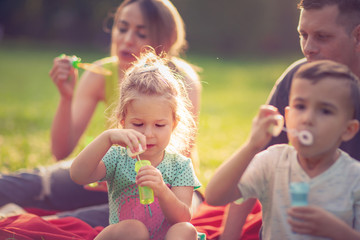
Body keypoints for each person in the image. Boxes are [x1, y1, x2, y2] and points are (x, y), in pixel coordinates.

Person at [0, 0, 201, 228]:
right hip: (112, 170)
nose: (126, 39)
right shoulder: (101, 73)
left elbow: (170, 156)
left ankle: (24, 222)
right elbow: (61, 151)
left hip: (167, 187)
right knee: (36, 183)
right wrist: (66, 98)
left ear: (166, 40)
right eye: (122, 28)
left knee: (135, 217)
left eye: (141, 33)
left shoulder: (181, 82)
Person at [221, 0, 360, 238]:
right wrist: (228, 236)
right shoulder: (299, 78)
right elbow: (252, 165)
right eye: (303, 35)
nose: (308, 48)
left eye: (322, 37)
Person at [206, 60, 360, 239]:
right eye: (300, 106)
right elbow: (214, 196)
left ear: (348, 130)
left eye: (325, 111)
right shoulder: (272, 162)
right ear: (287, 117)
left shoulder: (354, 178)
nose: (307, 119)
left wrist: (339, 232)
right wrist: (251, 146)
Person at [71, 50, 201, 240]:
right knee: (135, 229)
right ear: (122, 121)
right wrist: (107, 138)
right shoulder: (117, 157)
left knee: (186, 230)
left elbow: (183, 216)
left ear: (174, 124)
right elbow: (78, 175)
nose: (148, 134)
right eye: (138, 124)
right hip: (126, 236)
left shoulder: (180, 166)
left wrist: (162, 190)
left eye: (159, 125)